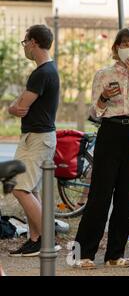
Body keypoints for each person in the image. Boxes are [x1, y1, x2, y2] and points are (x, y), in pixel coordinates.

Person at [74, 27, 129, 269]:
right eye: (124, 43)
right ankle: (81, 254)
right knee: (100, 194)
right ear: (116, 48)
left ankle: (115, 254)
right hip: (109, 130)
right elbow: (95, 112)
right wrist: (104, 97)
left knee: (127, 196)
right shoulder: (103, 74)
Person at [8, 24, 60, 257]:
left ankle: (48, 238)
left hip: (37, 138)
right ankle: (35, 239)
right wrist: (16, 107)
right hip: (36, 136)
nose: (25, 47)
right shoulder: (46, 70)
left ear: (34, 42)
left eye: (25, 42)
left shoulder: (42, 73)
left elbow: (21, 106)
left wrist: (14, 107)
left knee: (20, 189)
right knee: (31, 190)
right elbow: (21, 105)